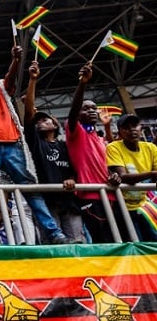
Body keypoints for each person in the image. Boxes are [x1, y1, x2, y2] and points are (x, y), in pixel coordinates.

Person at [0, 39, 70, 245]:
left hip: (12, 144)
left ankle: (53, 232)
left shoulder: (3, 87)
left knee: (30, 188)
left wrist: (16, 59)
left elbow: (11, 79)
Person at [24, 61, 85, 243]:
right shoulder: (35, 143)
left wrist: (72, 179)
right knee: (53, 246)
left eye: (45, 120)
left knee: (78, 242)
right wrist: (33, 80)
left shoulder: (65, 146)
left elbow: (75, 169)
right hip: (47, 203)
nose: (40, 122)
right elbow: (28, 114)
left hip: (70, 203)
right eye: (38, 121)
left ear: (55, 124)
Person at [65, 61, 126, 243]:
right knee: (105, 242)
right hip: (91, 196)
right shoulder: (74, 131)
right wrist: (82, 83)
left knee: (124, 241)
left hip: (112, 195)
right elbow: (73, 112)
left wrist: (115, 176)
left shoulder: (100, 139)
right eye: (86, 108)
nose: (91, 111)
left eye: (94, 108)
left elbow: (111, 164)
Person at [106, 114, 157, 241]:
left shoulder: (151, 148)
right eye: (126, 127)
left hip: (145, 205)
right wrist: (151, 174)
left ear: (141, 128)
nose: (132, 129)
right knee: (135, 244)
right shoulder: (113, 147)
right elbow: (123, 176)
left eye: (135, 126)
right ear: (119, 133)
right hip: (122, 207)